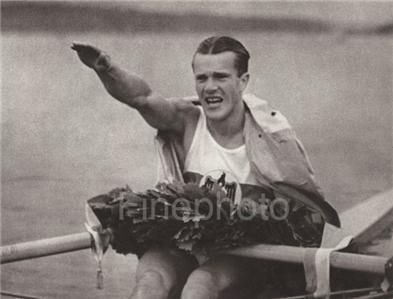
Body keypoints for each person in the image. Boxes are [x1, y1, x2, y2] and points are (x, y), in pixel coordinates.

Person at [72, 36, 339, 299]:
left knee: (199, 288)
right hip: (185, 243)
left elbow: (303, 208)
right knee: (148, 286)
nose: (209, 87)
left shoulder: (271, 138)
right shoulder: (187, 121)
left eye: (220, 77)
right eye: (202, 78)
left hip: (245, 253)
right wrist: (106, 68)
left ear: (242, 81)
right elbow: (142, 98)